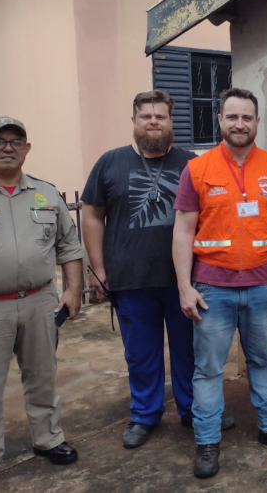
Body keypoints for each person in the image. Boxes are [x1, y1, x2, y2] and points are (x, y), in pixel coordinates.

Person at [81, 91, 234, 449]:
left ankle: (194, 410)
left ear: (171, 122)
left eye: (160, 116)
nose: (153, 122)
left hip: (185, 280)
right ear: (134, 121)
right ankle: (144, 414)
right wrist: (98, 267)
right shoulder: (110, 162)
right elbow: (91, 214)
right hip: (130, 278)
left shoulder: (192, 164)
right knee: (141, 353)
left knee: (189, 350)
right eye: (146, 116)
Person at [172, 88, 267, 479]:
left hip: (265, 283)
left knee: (263, 360)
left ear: (258, 122)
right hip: (212, 286)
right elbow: (183, 231)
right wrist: (184, 285)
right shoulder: (197, 169)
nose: (240, 124)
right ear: (220, 121)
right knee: (208, 369)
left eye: (247, 117)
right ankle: (208, 441)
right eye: (233, 117)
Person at [0, 117, 83, 493]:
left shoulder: (46, 194)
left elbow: (68, 244)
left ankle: (49, 439)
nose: (7, 147)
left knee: (43, 376)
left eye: (16, 141)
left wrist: (72, 290)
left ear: (27, 148)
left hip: (39, 303)